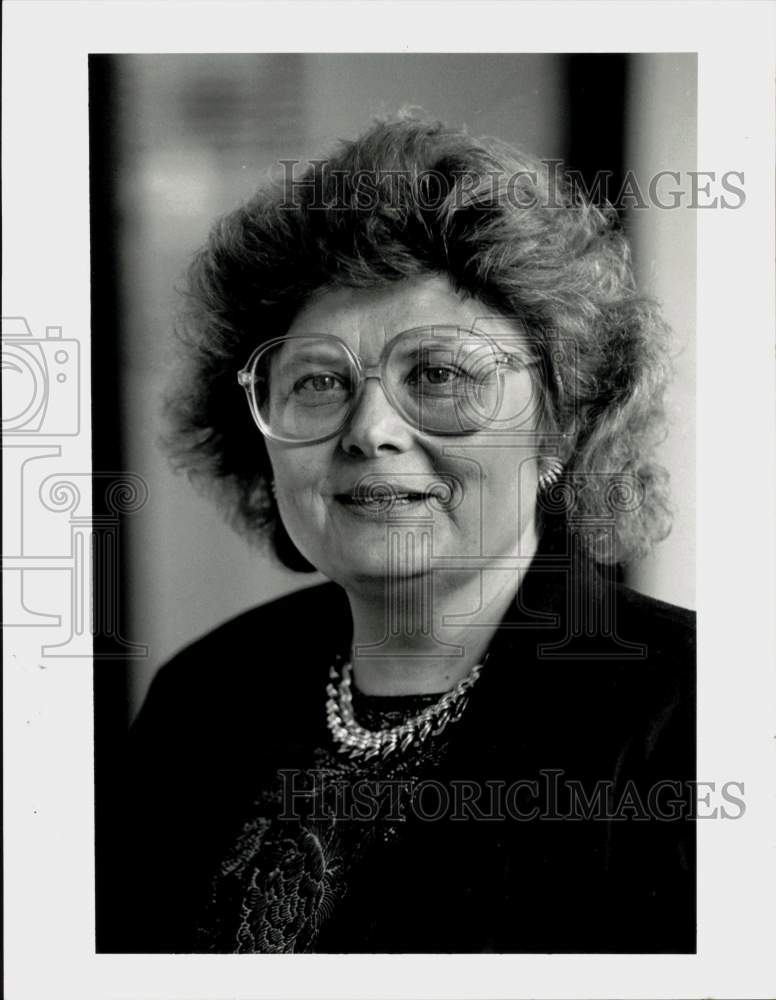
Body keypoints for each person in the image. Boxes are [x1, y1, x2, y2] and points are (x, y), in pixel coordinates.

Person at [97, 114, 695, 954]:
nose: (370, 428)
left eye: (440, 374)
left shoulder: (693, 717)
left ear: (560, 428)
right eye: (319, 380)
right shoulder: (203, 696)